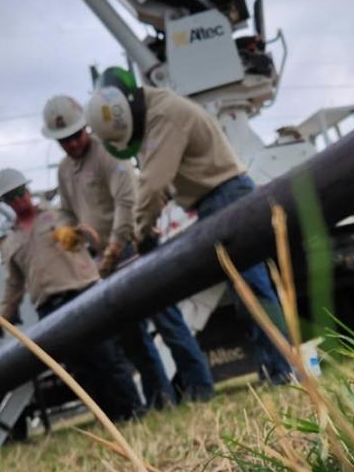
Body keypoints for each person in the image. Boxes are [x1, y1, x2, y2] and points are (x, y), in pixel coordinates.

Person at [85, 71, 295, 385]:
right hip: (216, 199)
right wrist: (150, 217)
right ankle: (274, 368)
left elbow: (153, 182)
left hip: (226, 197)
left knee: (252, 289)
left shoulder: (164, 115)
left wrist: (141, 232)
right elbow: (170, 180)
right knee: (245, 293)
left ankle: (285, 369)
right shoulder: (156, 116)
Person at [41, 94, 215, 405]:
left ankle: (200, 389)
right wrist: (65, 231)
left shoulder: (109, 152)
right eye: (64, 141)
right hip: (104, 263)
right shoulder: (65, 172)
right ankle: (160, 398)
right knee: (132, 337)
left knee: (168, 322)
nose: (72, 145)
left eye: (76, 136)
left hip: (135, 247)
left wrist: (116, 244)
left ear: (86, 129)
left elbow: (127, 201)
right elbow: (67, 211)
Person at [0, 167, 145, 423]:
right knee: (80, 368)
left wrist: (80, 234)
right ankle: (109, 420)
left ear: (28, 190)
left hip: (83, 293)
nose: (18, 201)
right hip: (50, 308)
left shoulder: (58, 213)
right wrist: (1, 318)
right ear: (5, 203)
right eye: (10, 198)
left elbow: (92, 234)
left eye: (19, 193)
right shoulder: (10, 242)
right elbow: (14, 285)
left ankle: (134, 411)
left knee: (107, 356)